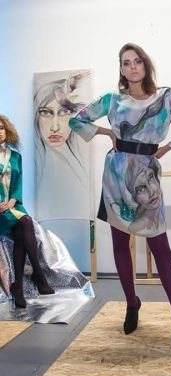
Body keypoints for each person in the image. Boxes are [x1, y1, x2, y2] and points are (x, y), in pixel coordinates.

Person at [69, 43, 171, 356]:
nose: (131, 67)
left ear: (146, 65)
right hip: (115, 175)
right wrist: (106, 132)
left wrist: (168, 147)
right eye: (125, 63)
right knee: (120, 243)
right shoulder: (112, 100)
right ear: (120, 68)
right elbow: (76, 120)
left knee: (160, 248)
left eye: (136, 61)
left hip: (146, 175)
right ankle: (132, 303)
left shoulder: (165, 97)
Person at [0, 115, 54, 308]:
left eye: (1, 128)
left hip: (12, 205)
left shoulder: (15, 156)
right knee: (25, 222)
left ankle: (18, 287)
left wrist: (13, 201)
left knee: (23, 228)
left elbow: (18, 183)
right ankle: (38, 274)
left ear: (7, 131)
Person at [34, 73, 92, 222]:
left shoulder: (81, 173)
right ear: (36, 117)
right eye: (45, 112)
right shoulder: (34, 170)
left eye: (65, 112)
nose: (55, 127)